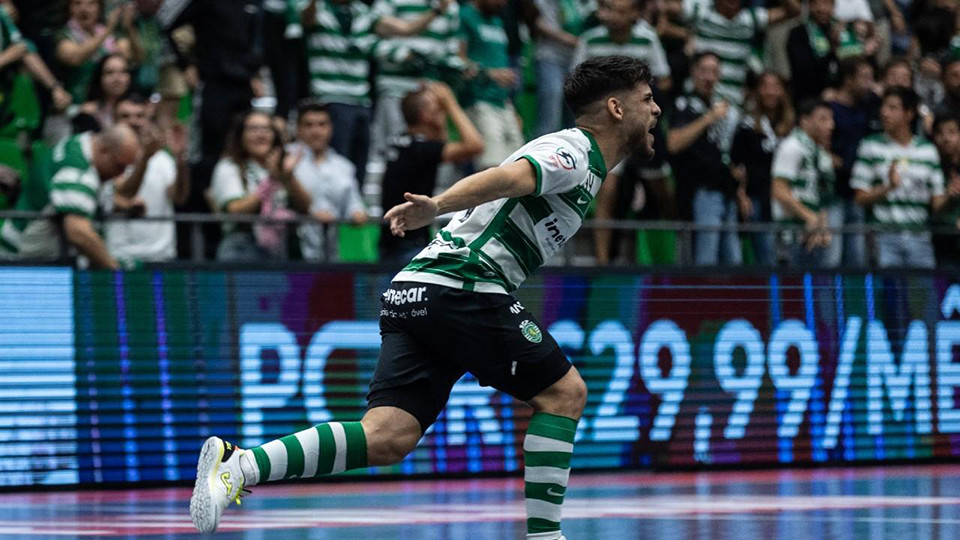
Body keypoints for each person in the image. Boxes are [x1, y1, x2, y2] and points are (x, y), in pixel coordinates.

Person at [189, 55, 660, 540]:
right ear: (616, 108)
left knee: (388, 437)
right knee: (565, 393)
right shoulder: (575, 150)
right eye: (647, 99)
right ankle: (546, 537)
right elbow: (509, 176)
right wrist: (436, 206)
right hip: (464, 284)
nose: (656, 110)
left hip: (417, 289)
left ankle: (237, 466)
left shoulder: (590, 166)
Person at [0, 124, 140, 268]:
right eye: (119, 166)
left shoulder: (79, 143)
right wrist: (115, 271)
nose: (121, 174)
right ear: (104, 150)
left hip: (32, 256)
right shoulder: (75, 170)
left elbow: (82, 196)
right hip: (20, 261)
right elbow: (78, 232)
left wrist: (125, 205)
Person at [378, 81, 484, 268]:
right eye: (438, 108)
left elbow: (440, 141)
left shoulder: (403, 143)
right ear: (425, 115)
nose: (443, 112)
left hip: (391, 244)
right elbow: (475, 146)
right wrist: (451, 104)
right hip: (409, 246)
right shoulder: (421, 149)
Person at [851, 86, 946, 268]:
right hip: (883, 238)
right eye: (884, 107)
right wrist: (888, 188)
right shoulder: (870, 146)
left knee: (922, 295)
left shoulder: (928, 150)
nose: (884, 113)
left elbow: (937, 203)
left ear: (909, 114)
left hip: (920, 238)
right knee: (889, 296)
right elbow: (859, 198)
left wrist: (951, 195)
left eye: (892, 108)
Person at [667, 51, 741, 266]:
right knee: (705, 260)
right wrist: (709, 118)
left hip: (726, 189)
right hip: (701, 191)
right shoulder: (684, 104)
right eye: (704, 71)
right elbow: (674, 143)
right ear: (694, 72)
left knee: (733, 261)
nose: (709, 77)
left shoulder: (722, 106)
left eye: (714, 72)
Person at [209, 110, 312, 261]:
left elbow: (306, 206)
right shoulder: (229, 167)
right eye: (253, 129)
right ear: (241, 135)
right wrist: (271, 180)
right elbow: (235, 210)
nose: (260, 135)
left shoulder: (286, 165)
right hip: (242, 249)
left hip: (285, 249)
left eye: (266, 129)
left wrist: (287, 176)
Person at [103, 93, 190, 264]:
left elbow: (179, 198)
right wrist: (145, 158)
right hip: (119, 256)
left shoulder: (163, 159)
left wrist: (180, 159)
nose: (133, 121)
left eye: (139, 116)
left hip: (161, 256)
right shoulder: (106, 159)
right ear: (114, 120)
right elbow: (121, 196)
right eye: (125, 116)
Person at [289, 101, 368, 262]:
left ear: (330, 128)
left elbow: (354, 205)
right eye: (308, 125)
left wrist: (357, 213)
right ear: (298, 129)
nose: (315, 131)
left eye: (321, 124)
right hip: (290, 255)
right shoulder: (285, 159)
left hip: (330, 256)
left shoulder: (343, 166)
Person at [684, 0, 800, 107]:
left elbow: (794, 11)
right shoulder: (701, 13)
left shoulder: (750, 19)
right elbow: (668, 8)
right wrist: (682, 34)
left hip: (733, 104)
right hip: (699, 101)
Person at [731, 71, 794, 267]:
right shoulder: (747, 125)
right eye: (765, 86)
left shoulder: (792, 126)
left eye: (775, 86)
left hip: (788, 201)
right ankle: (770, 297)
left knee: (791, 261)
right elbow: (735, 163)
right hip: (757, 198)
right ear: (758, 91)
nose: (770, 92)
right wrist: (741, 195)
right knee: (767, 260)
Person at [770, 99, 836, 267]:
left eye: (831, 119)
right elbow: (779, 190)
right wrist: (809, 217)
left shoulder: (820, 153)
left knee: (816, 288)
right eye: (823, 119)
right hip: (792, 231)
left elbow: (819, 196)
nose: (830, 125)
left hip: (812, 235)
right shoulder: (792, 146)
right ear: (805, 121)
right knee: (793, 287)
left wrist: (822, 227)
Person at [460, 0, 524, 170]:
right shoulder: (464, 16)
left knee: (518, 161)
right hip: (478, 99)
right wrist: (489, 73)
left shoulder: (497, 20)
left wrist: (510, 105)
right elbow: (458, 60)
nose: (503, 4)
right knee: (491, 165)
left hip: (502, 101)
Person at [828, 56, 879, 268]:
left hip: (858, 192)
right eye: (864, 77)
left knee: (857, 260)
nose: (869, 83)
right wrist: (832, 159)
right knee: (831, 257)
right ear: (848, 80)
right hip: (833, 192)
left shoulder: (869, 105)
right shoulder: (829, 108)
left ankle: (854, 302)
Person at [55, 0, 138, 105]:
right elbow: (75, 58)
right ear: (69, 8)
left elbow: (134, 58)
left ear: (100, 8)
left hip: (106, 103)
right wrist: (107, 30)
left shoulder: (108, 34)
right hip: (76, 103)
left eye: (91, 4)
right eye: (77, 3)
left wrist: (129, 27)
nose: (84, 9)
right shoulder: (63, 35)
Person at [931, 113, 960, 267]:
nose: (946, 138)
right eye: (940, 133)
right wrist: (949, 195)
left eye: (952, 132)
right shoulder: (929, 165)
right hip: (942, 246)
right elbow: (932, 209)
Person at [78, 53, 130, 128]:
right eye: (109, 72)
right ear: (99, 78)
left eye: (123, 72)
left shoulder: (141, 109)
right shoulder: (89, 112)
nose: (117, 78)